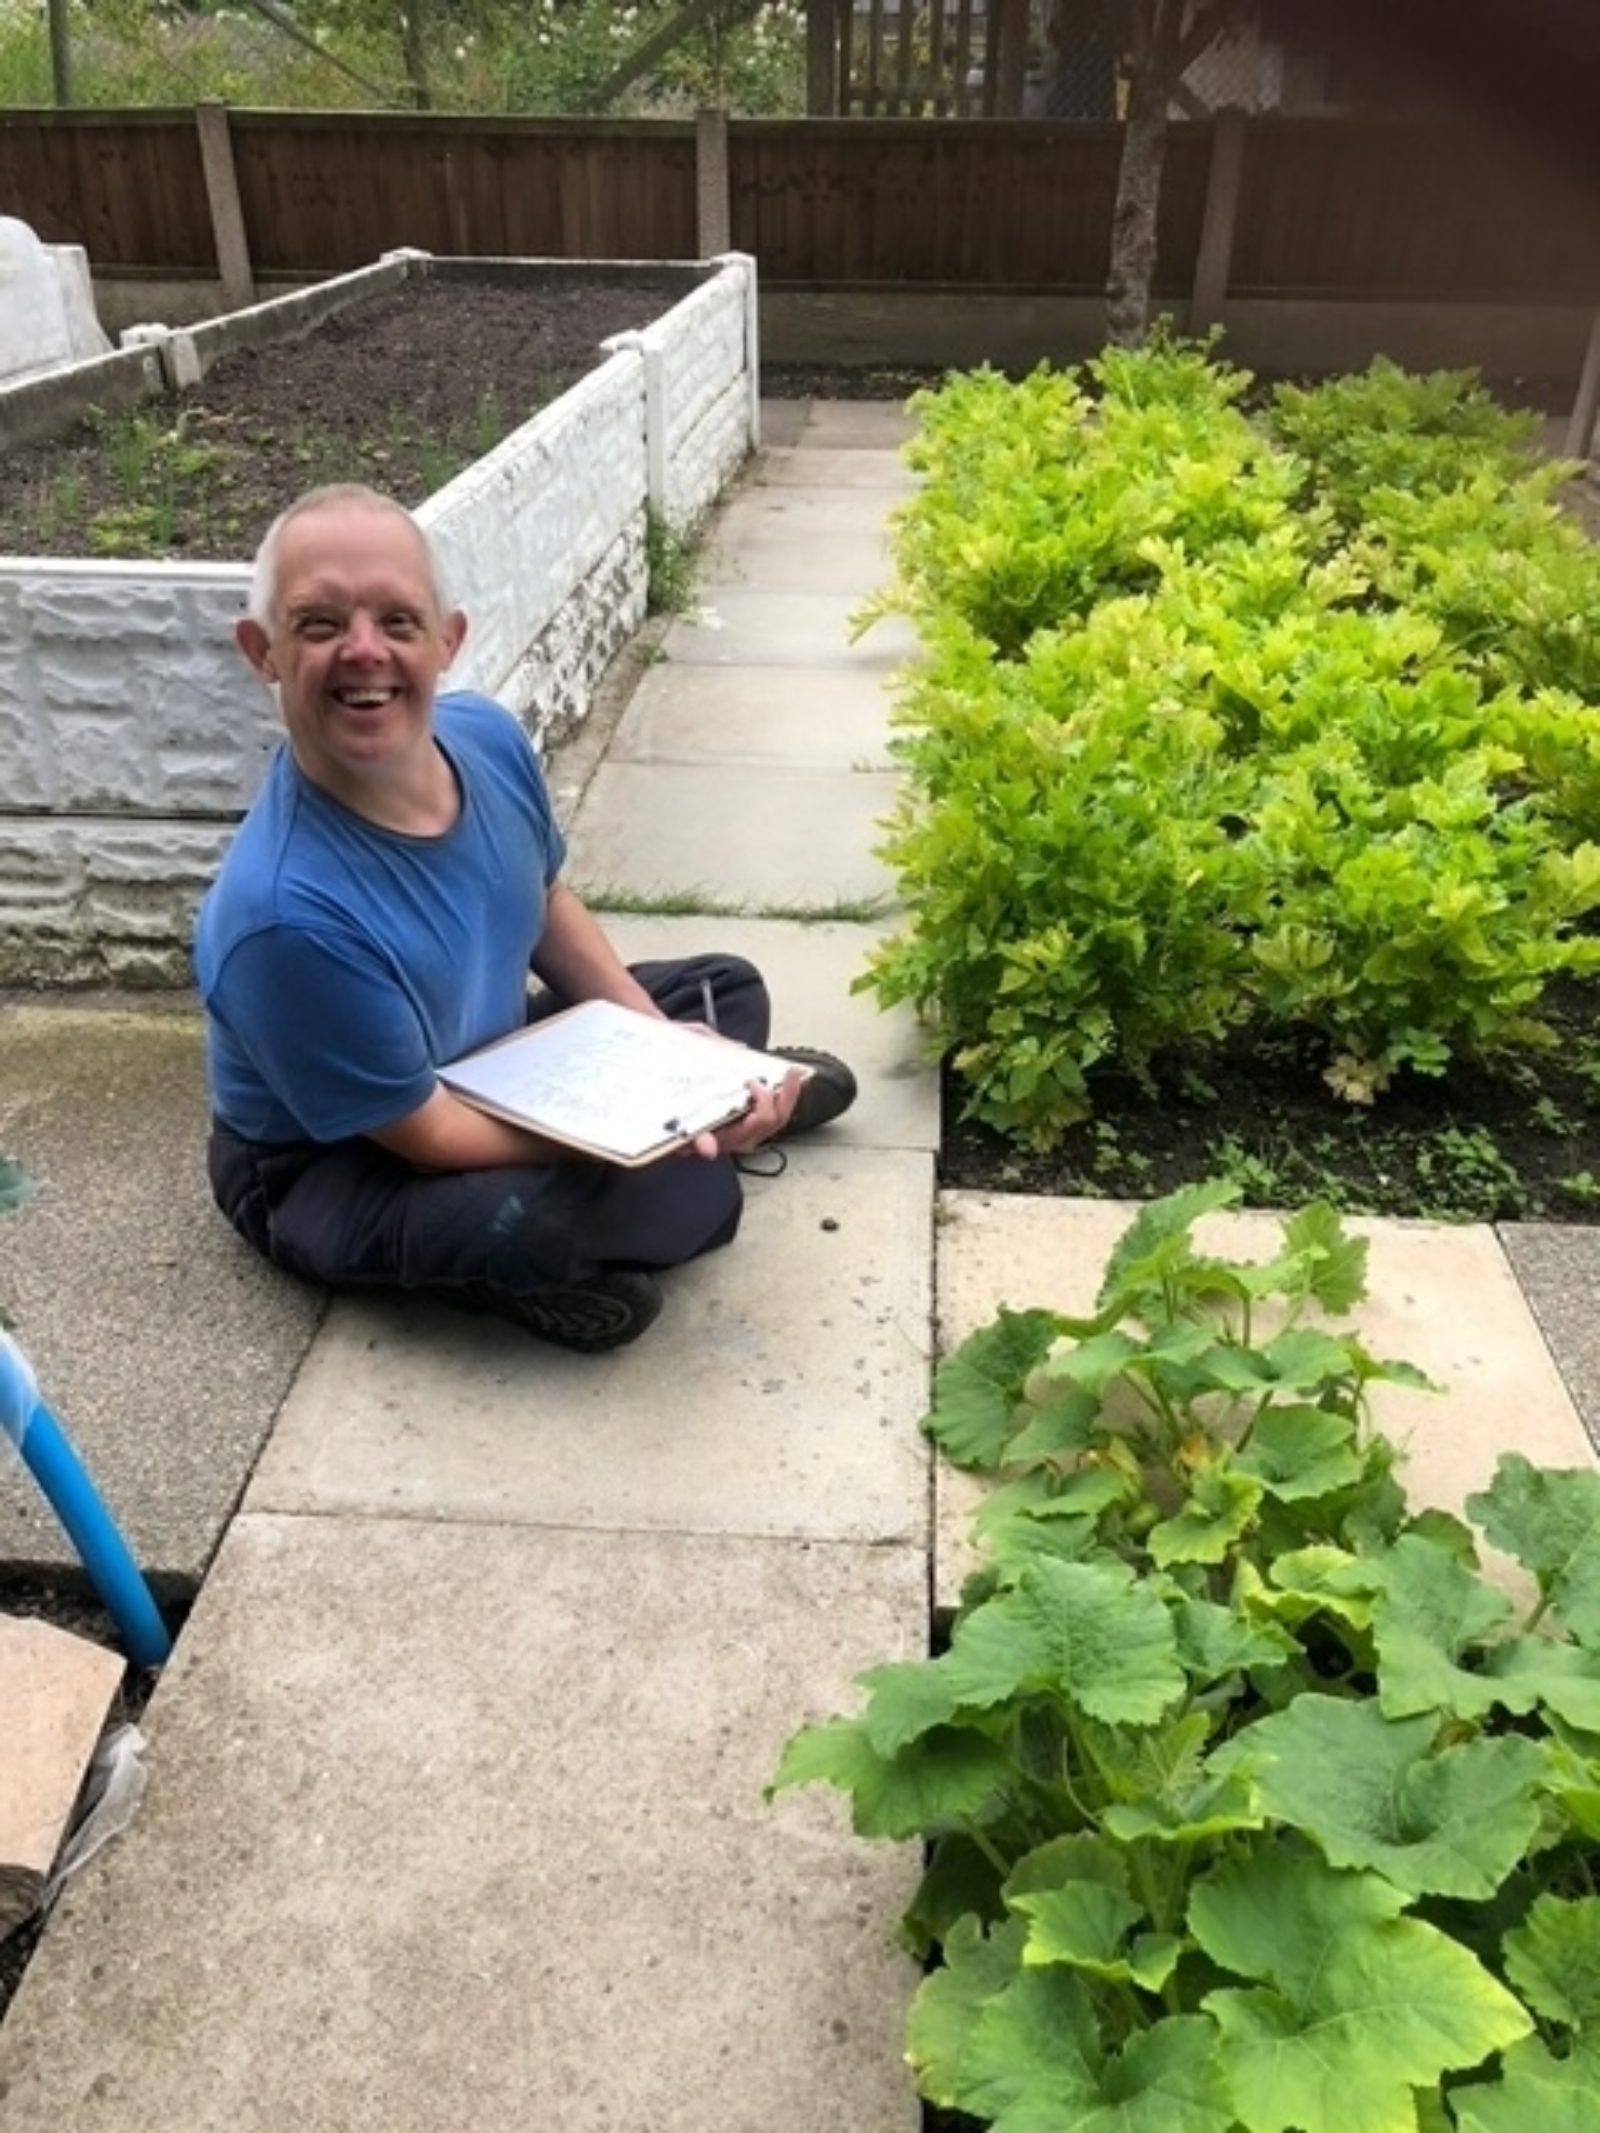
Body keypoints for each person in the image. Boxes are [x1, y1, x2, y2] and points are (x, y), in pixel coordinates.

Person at [195, 484, 856, 1353]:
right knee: (625, 1202)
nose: (365, 651)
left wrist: (665, 1058)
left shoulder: (487, 741)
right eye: (320, 624)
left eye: (398, 621)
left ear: (446, 641)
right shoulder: (282, 914)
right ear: (264, 650)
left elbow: (544, 902)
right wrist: (636, 1131)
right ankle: (537, 1259)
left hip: (481, 1053)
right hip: (334, 1160)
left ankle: (720, 1108)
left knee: (726, 990)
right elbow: (428, 1133)